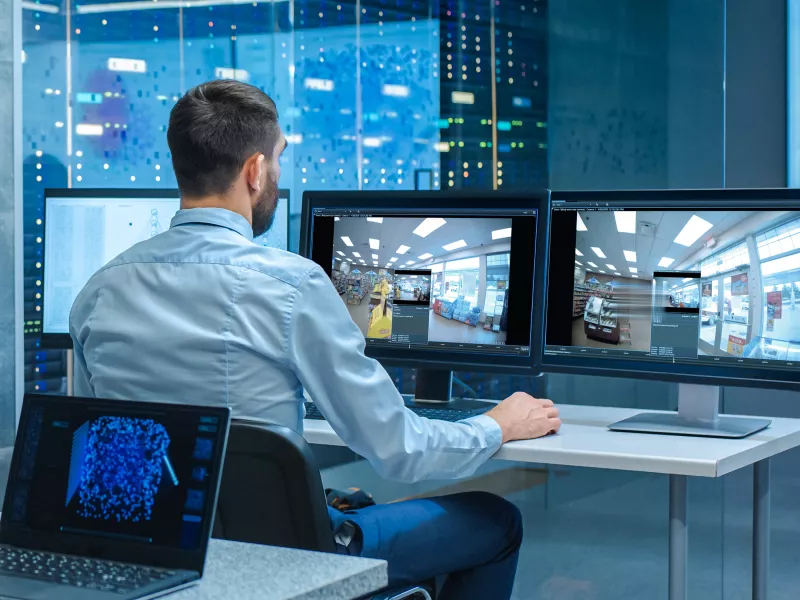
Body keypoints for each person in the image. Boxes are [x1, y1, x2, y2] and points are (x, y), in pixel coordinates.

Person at [69, 79, 561, 600]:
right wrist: (496, 425)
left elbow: (95, 447)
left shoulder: (99, 290)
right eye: (278, 159)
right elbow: (401, 451)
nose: (278, 174)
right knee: (494, 520)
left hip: (163, 558)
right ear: (255, 171)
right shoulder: (290, 286)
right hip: (285, 560)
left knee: (355, 500)